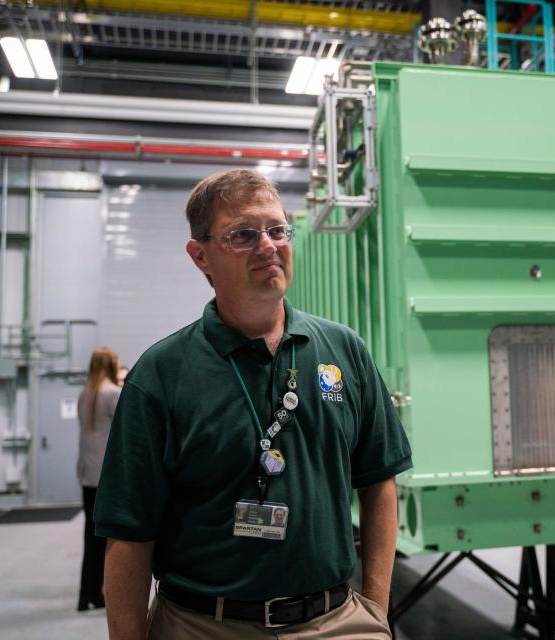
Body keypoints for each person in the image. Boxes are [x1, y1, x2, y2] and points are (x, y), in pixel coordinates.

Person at [94, 169, 412, 639]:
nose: (268, 245)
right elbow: (129, 536)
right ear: (200, 256)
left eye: (277, 229)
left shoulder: (344, 351)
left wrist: (376, 609)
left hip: (336, 619)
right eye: (243, 234)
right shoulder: (161, 374)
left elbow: (379, 480)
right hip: (204, 625)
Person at [76, 347, 122, 612]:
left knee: (89, 537)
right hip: (106, 476)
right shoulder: (113, 394)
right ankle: (103, 593)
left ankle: (86, 594)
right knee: (109, 540)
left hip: (86, 475)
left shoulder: (86, 394)